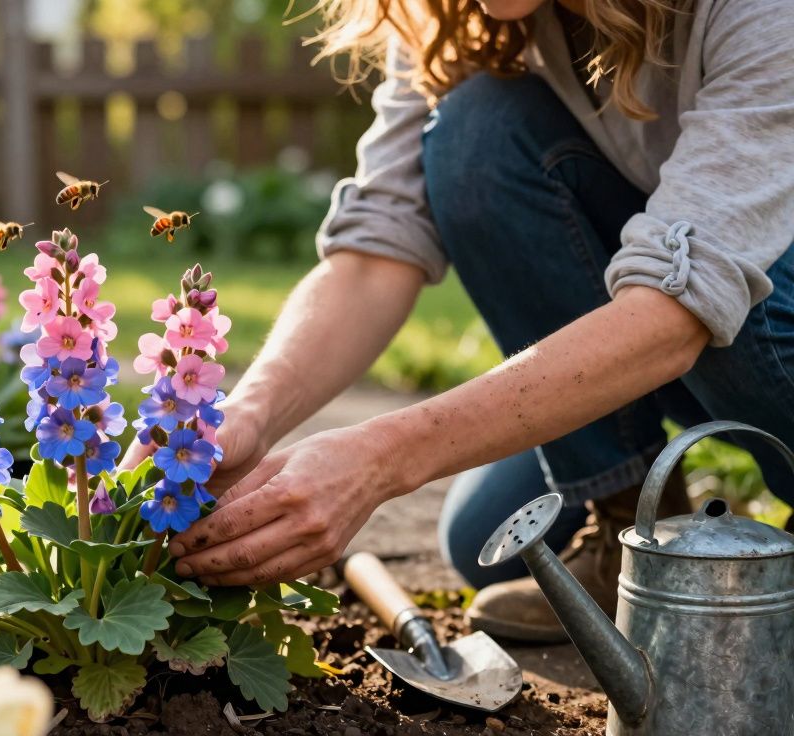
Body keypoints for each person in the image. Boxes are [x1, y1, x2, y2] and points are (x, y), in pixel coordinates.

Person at [124, 0, 794, 643]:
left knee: (724, 292)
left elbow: (674, 313)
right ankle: (632, 526)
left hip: (757, 321)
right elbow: (374, 251)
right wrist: (243, 416)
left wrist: (381, 460)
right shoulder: (459, 14)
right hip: (670, 326)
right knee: (485, 540)